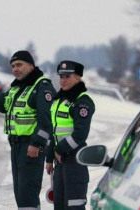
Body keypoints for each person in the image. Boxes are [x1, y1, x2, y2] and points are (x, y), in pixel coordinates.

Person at [0, 50, 57, 209]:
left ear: (31, 65)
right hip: (16, 146)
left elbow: (47, 121)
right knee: (20, 192)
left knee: (27, 192)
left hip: (30, 146)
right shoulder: (17, 88)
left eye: (19, 65)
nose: (15, 69)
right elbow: (5, 106)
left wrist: (36, 143)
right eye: (13, 66)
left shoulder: (41, 87)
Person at [45, 60, 95, 210]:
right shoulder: (59, 100)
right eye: (61, 76)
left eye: (67, 76)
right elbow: (53, 131)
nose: (63, 80)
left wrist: (59, 149)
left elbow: (80, 134)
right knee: (59, 205)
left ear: (78, 77)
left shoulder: (82, 102)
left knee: (74, 206)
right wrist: (49, 158)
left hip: (75, 162)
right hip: (60, 162)